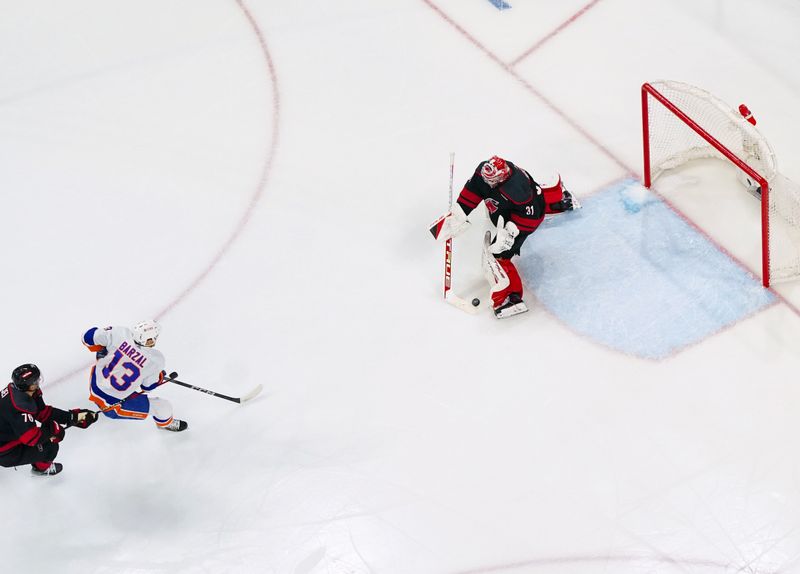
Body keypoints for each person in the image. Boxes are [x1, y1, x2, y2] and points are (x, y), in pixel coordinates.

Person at [431, 155, 578, 318]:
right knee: (513, 201)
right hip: (517, 205)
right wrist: (458, 213)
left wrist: (510, 232)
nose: (489, 183)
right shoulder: (484, 173)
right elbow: (473, 190)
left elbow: (532, 217)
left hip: (526, 217)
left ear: (503, 176)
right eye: (488, 179)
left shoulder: (517, 188)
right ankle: (558, 197)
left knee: (496, 255)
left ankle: (511, 298)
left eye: (493, 180)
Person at [82, 320, 187, 432]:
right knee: (163, 407)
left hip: (95, 384)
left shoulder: (120, 332)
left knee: (105, 349)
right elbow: (147, 387)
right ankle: (165, 424)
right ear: (149, 340)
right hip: (112, 405)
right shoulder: (156, 360)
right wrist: (158, 377)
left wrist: (105, 341)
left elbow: (87, 338)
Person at [0, 363, 97, 476]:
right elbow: (31, 438)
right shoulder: (19, 409)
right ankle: (41, 469)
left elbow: (42, 412)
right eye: (36, 381)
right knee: (50, 446)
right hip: (5, 452)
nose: (38, 382)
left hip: (6, 434)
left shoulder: (22, 392)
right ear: (29, 386)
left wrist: (71, 417)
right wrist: (53, 431)